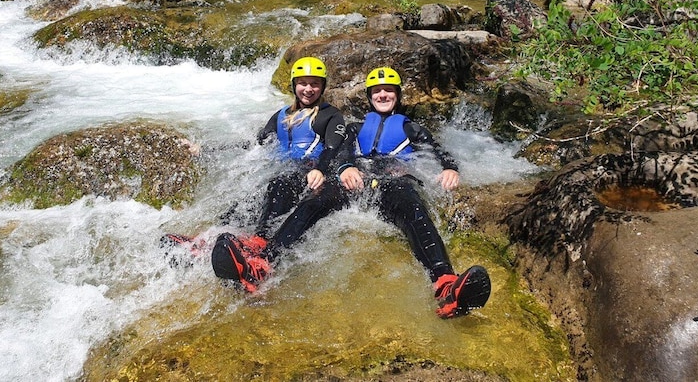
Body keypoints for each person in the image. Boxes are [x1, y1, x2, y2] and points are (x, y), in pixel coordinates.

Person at [335, 67, 491, 318]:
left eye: (388, 90)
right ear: (369, 96)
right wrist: (346, 167)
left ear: (397, 95)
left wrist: (450, 168)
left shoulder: (411, 129)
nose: (383, 95)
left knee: (413, 208)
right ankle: (264, 259)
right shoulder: (355, 128)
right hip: (358, 184)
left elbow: (437, 150)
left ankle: (445, 285)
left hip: (395, 185)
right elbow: (340, 153)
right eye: (377, 91)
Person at [209, 56, 349, 293]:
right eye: (303, 83)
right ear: (294, 85)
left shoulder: (331, 115)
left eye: (314, 83)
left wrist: (320, 170)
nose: (308, 89)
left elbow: (333, 147)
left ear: (323, 86)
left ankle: (260, 255)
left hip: (313, 172)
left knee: (282, 186)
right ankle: (208, 240)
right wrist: (205, 149)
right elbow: (256, 143)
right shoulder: (281, 115)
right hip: (287, 172)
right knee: (258, 192)